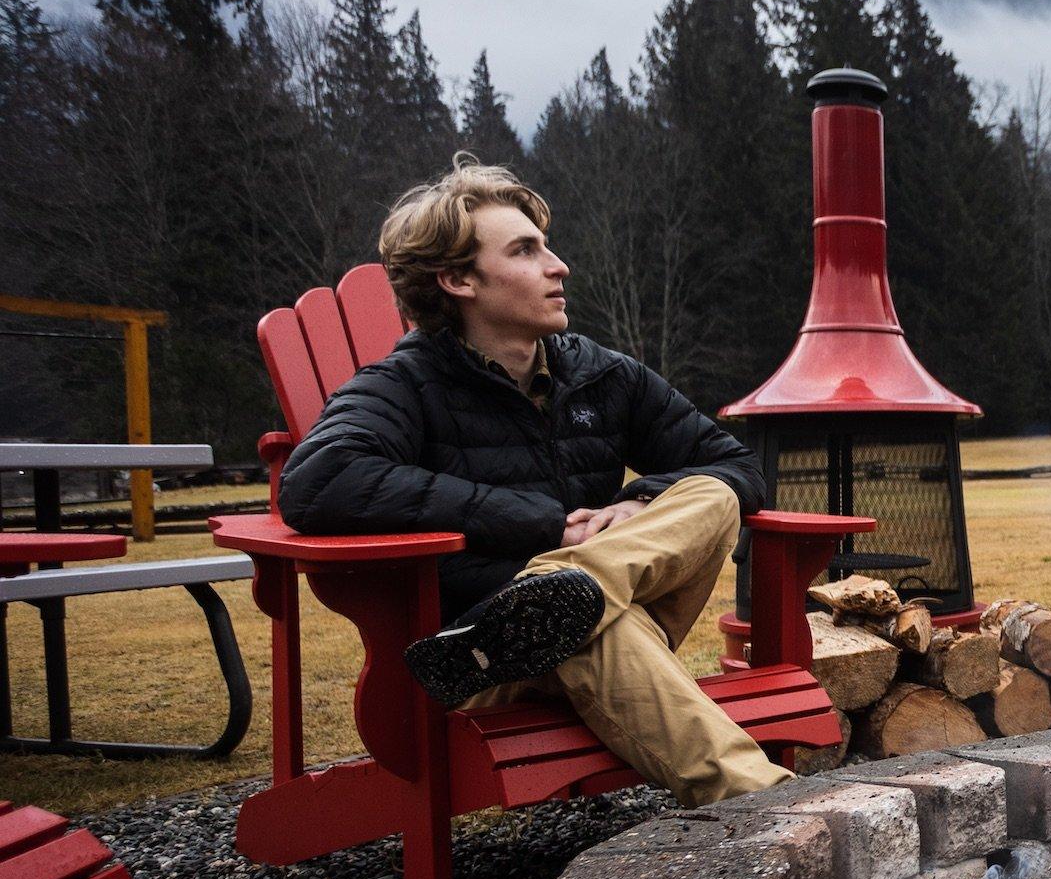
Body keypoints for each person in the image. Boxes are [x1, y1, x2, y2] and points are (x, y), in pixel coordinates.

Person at [279, 156, 795, 805]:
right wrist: (545, 524)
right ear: (457, 278)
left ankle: (569, 592)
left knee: (712, 494)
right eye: (527, 251)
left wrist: (637, 504)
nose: (559, 266)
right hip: (481, 665)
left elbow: (739, 467)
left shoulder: (605, 376)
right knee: (584, 626)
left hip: (607, 614)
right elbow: (320, 478)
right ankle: (773, 805)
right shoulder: (404, 386)